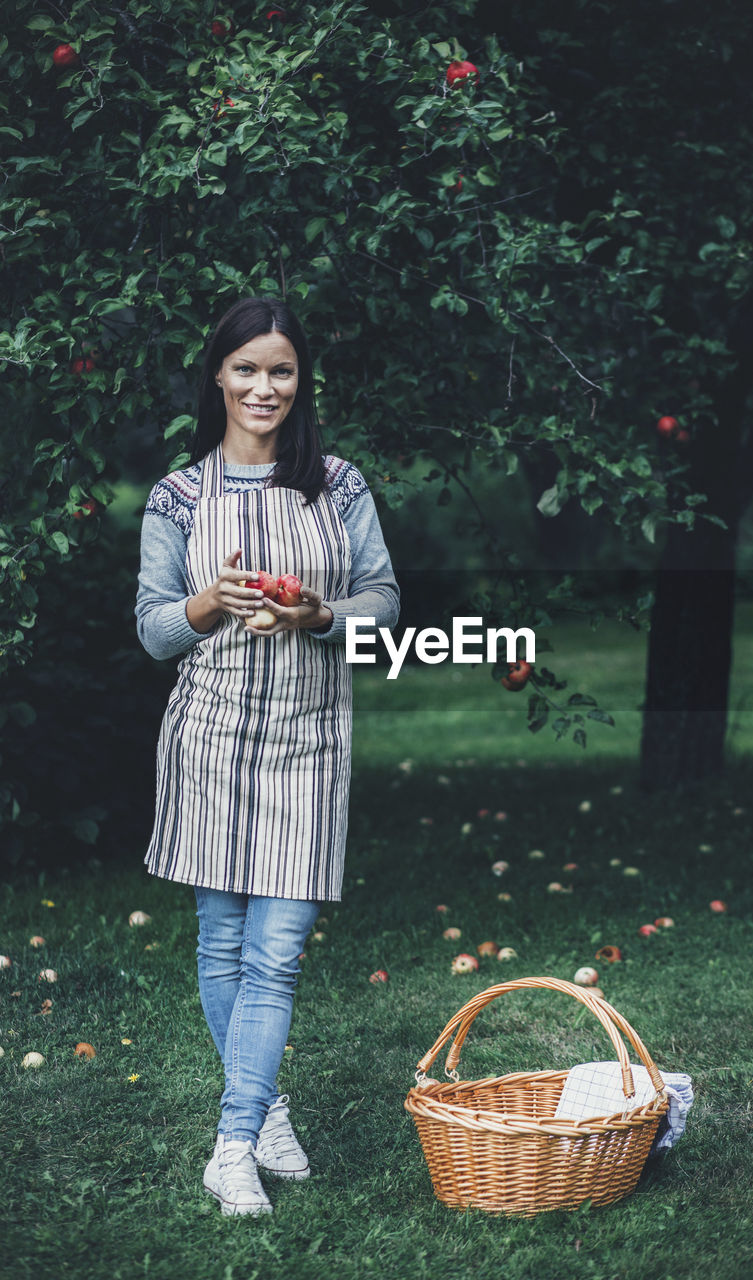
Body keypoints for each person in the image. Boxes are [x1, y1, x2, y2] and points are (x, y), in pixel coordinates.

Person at [135, 297, 399, 1216]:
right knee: (222, 944)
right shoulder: (177, 497)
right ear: (217, 376)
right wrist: (206, 604)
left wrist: (317, 616)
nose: (263, 386)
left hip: (307, 740)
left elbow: (384, 603)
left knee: (276, 953)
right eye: (246, 368)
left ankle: (233, 1140)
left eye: (280, 370)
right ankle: (267, 1113)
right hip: (210, 739)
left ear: (300, 382)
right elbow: (156, 632)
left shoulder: (339, 482)